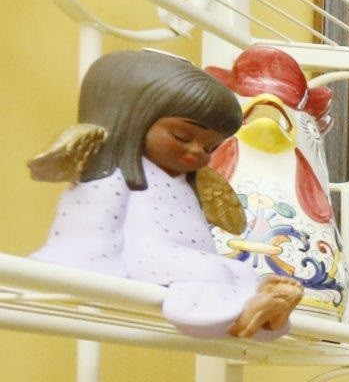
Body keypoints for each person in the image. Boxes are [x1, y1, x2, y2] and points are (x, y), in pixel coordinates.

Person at [29, 49, 303, 339]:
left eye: (210, 148)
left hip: (181, 258)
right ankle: (240, 314)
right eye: (182, 137)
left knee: (241, 271)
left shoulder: (187, 183)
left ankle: (260, 313)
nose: (197, 150)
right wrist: (91, 265)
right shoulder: (115, 177)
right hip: (144, 256)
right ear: (134, 121)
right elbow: (87, 225)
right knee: (206, 271)